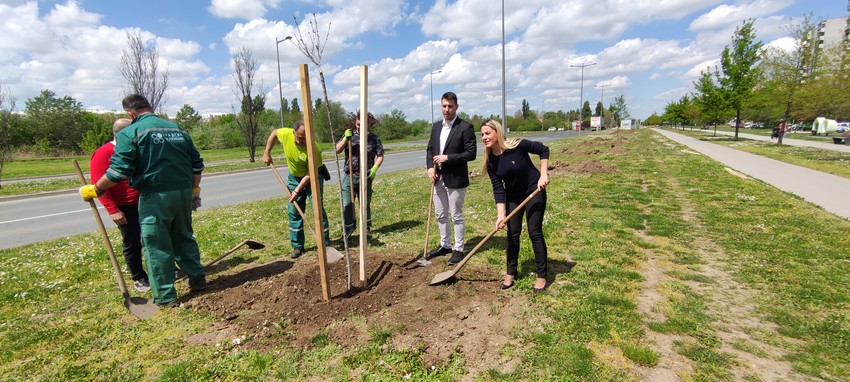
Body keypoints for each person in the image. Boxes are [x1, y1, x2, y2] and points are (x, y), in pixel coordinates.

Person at [79, 94, 206, 307]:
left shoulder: (131, 132)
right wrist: (194, 191)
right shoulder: (177, 129)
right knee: (183, 236)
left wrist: (96, 189)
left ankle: (165, 297)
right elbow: (196, 164)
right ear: (149, 107)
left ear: (130, 113)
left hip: (155, 195)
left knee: (156, 245)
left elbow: (119, 171)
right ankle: (198, 279)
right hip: (183, 192)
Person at [479, 119, 550, 292]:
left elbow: (543, 150)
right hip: (513, 197)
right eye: (482, 134)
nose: (484, 137)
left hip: (534, 191)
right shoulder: (490, 162)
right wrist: (500, 215)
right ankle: (511, 273)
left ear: (498, 132)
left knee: (534, 231)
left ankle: (542, 276)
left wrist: (543, 175)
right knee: (512, 233)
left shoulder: (517, 145)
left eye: (487, 133)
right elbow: (498, 190)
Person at [89, 118, 149, 293]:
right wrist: (113, 209)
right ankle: (139, 276)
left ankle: (160, 269)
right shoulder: (103, 153)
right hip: (125, 206)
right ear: (124, 134)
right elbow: (99, 184)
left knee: (154, 236)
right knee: (132, 242)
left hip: (145, 200)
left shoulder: (136, 149)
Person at [262, 120, 332, 258]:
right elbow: (274, 133)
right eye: (300, 137)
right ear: (294, 133)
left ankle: (325, 244)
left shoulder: (314, 148)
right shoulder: (286, 134)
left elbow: (310, 174)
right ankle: (297, 245)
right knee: (294, 211)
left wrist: (297, 191)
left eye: (307, 138)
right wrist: (267, 152)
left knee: (317, 209)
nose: (304, 141)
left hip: (312, 178)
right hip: (294, 178)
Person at [424, 92, 477, 265]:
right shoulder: (436, 127)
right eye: (444, 106)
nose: (447, 110)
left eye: (450, 106)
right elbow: (430, 150)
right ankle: (445, 244)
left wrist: (448, 157)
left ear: (456, 107)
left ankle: (458, 249)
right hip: (437, 178)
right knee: (440, 214)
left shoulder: (465, 127)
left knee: (456, 215)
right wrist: (430, 168)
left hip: (456, 178)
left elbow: (471, 154)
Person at [335, 111, 384, 238]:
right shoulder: (350, 135)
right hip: (349, 175)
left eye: (362, 124)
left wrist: (374, 168)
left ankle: (366, 228)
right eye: (357, 124)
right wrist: (345, 139)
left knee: (364, 203)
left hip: (365, 175)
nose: (359, 127)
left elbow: (380, 155)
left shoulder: (373, 138)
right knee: (347, 204)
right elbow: (337, 150)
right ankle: (348, 229)